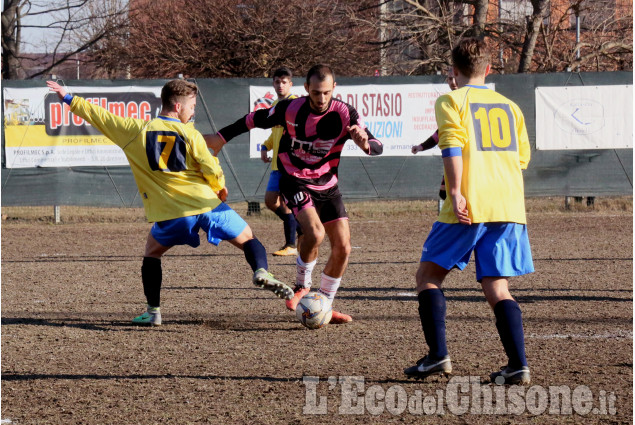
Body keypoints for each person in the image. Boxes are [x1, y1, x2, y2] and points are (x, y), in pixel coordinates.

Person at [46, 79, 294, 327]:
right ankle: (261, 271)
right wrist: (219, 187)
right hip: (207, 204)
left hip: (173, 212)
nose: (193, 110)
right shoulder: (191, 134)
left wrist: (68, 97)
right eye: (192, 106)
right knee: (249, 239)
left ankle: (153, 312)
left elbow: (99, 115)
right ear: (177, 106)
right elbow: (209, 165)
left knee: (152, 253)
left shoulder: (136, 130)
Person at [205, 64, 383, 324]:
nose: (321, 99)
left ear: (334, 88)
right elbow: (253, 119)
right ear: (306, 89)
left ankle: (323, 304)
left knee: (343, 247)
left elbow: (377, 146)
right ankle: (302, 286)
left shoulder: (346, 113)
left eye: (325, 93)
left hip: (328, 184)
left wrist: (365, 142)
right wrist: (221, 137)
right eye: (315, 93)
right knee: (315, 233)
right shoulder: (291, 109)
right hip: (294, 179)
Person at [403, 38, 534, 385]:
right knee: (496, 285)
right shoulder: (510, 106)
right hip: (508, 205)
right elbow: (521, 160)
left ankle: (437, 356)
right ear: (489, 69)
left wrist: (457, 191)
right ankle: (518, 364)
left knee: (428, 277)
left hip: (469, 204)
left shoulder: (451, 99)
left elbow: (452, 145)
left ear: (453, 70)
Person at [259, 67, 301, 256]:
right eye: (277, 81)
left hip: (289, 165)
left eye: (284, 82)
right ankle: (300, 229)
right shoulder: (276, 104)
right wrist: (265, 146)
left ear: (290, 84)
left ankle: (291, 245)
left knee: (287, 204)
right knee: (270, 201)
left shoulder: (296, 104)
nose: (280, 85)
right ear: (273, 83)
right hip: (276, 165)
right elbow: (275, 132)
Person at [410, 67, 459, 200]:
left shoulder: (464, 100)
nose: (453, 82)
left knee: (449, 195)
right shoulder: (450, 100)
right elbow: (441, 132)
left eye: (455, 77)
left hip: (467, 159)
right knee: (444, 194)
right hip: (453, 158)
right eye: (449, 79)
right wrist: (421, 147)